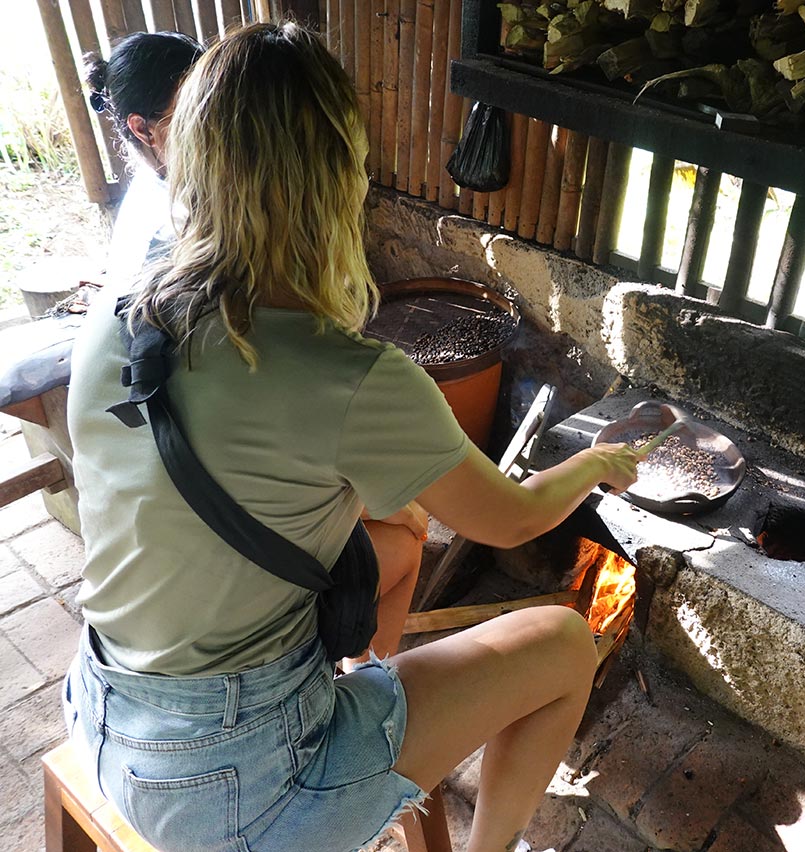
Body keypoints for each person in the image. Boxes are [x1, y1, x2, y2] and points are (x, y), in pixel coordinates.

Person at [63, 21, 641, 852]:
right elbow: (511, 521)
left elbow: (223, 470)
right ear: (337, 174)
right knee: (561, 642)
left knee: (398, 540)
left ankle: (356, 702)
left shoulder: (116, 319)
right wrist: (592, 462)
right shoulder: (347, 375)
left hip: (107, 706)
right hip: (233, 788)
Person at [84, 31, 203, 285]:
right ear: (144, 129)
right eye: (195, 111)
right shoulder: (166, 234)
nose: (219, 122)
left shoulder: (177, 182)